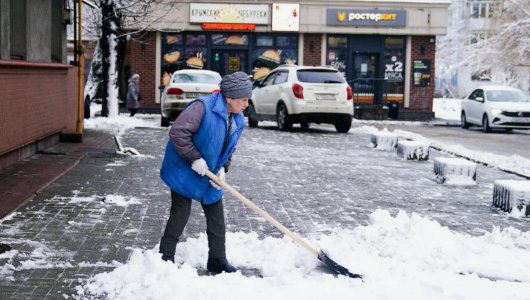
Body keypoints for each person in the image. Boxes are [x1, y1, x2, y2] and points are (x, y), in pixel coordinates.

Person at [159, 71, 251, 274]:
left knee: (216, 215)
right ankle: (164, 258)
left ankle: (217, 259)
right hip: (183, 167)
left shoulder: (238, 117)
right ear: (229, 98)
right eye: (243, 99)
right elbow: (178, 132)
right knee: (180, 213)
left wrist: (223, 168)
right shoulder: (202, 107)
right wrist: (194, 158)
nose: (246, 104)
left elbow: (230, 147)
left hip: (210, 172)